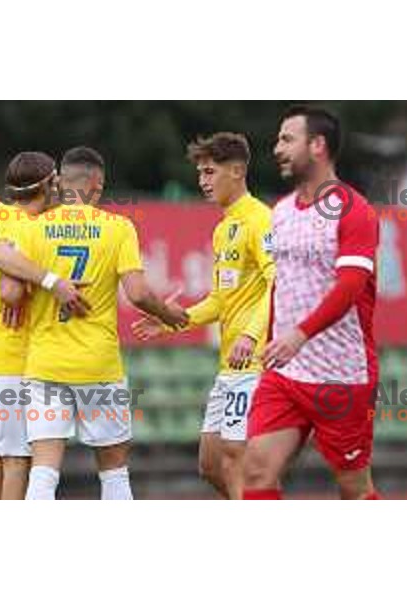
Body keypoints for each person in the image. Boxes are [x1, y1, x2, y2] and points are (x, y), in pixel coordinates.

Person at [0, 146, 188, 500]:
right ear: (99, 183)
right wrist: (168, 315)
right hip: (99, 364)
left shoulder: (34, 228)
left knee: (44, 472)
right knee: (114, 471)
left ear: (61, 183)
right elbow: (138, 294)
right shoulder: (118, 228)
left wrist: (47, 282)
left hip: (46, 365)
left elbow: (11, 293)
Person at [242, 105, 381, 500]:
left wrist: (299, 335)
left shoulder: (354, 210)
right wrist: (265, 338)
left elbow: (351, 285)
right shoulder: (281, 212)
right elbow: (279, 285)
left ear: (317, 145)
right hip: (285, 374)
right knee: (255, 471)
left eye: (287, 139)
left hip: (341, 375)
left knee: (353, 488)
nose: (277, 148)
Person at [132, 133, 274, 499]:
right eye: (200, 173)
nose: (202, 181)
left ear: (238, 170)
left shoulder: (261, 220)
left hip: (255, 362)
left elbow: (280, 284)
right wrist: (171, 320)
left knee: (235, 458)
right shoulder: (224, 228)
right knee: (210, 464)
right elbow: (219, 300)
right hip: (230, 366)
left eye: (210, 172)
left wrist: (251, 336)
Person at [0, 151, 88, 499]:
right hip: (7, 361)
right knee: (16, 464)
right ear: (50, 183)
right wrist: (46, 284)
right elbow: (10, 293)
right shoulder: (28, 227)